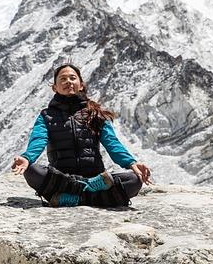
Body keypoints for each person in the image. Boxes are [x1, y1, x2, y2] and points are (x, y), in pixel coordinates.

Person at [12, 64, 151, 207]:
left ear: (81, 85)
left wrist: (131, 163)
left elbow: (112, 142)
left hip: (96, 179)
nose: (68, 82)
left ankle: (75, 198)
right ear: (55, 88)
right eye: (63, 79)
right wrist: (27, 158)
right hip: (61, 178)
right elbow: (38, 140)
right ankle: (92, 195)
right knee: (31, 171)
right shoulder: (46, 116)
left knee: (134, 180)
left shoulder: (95, 113)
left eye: (72, 78)